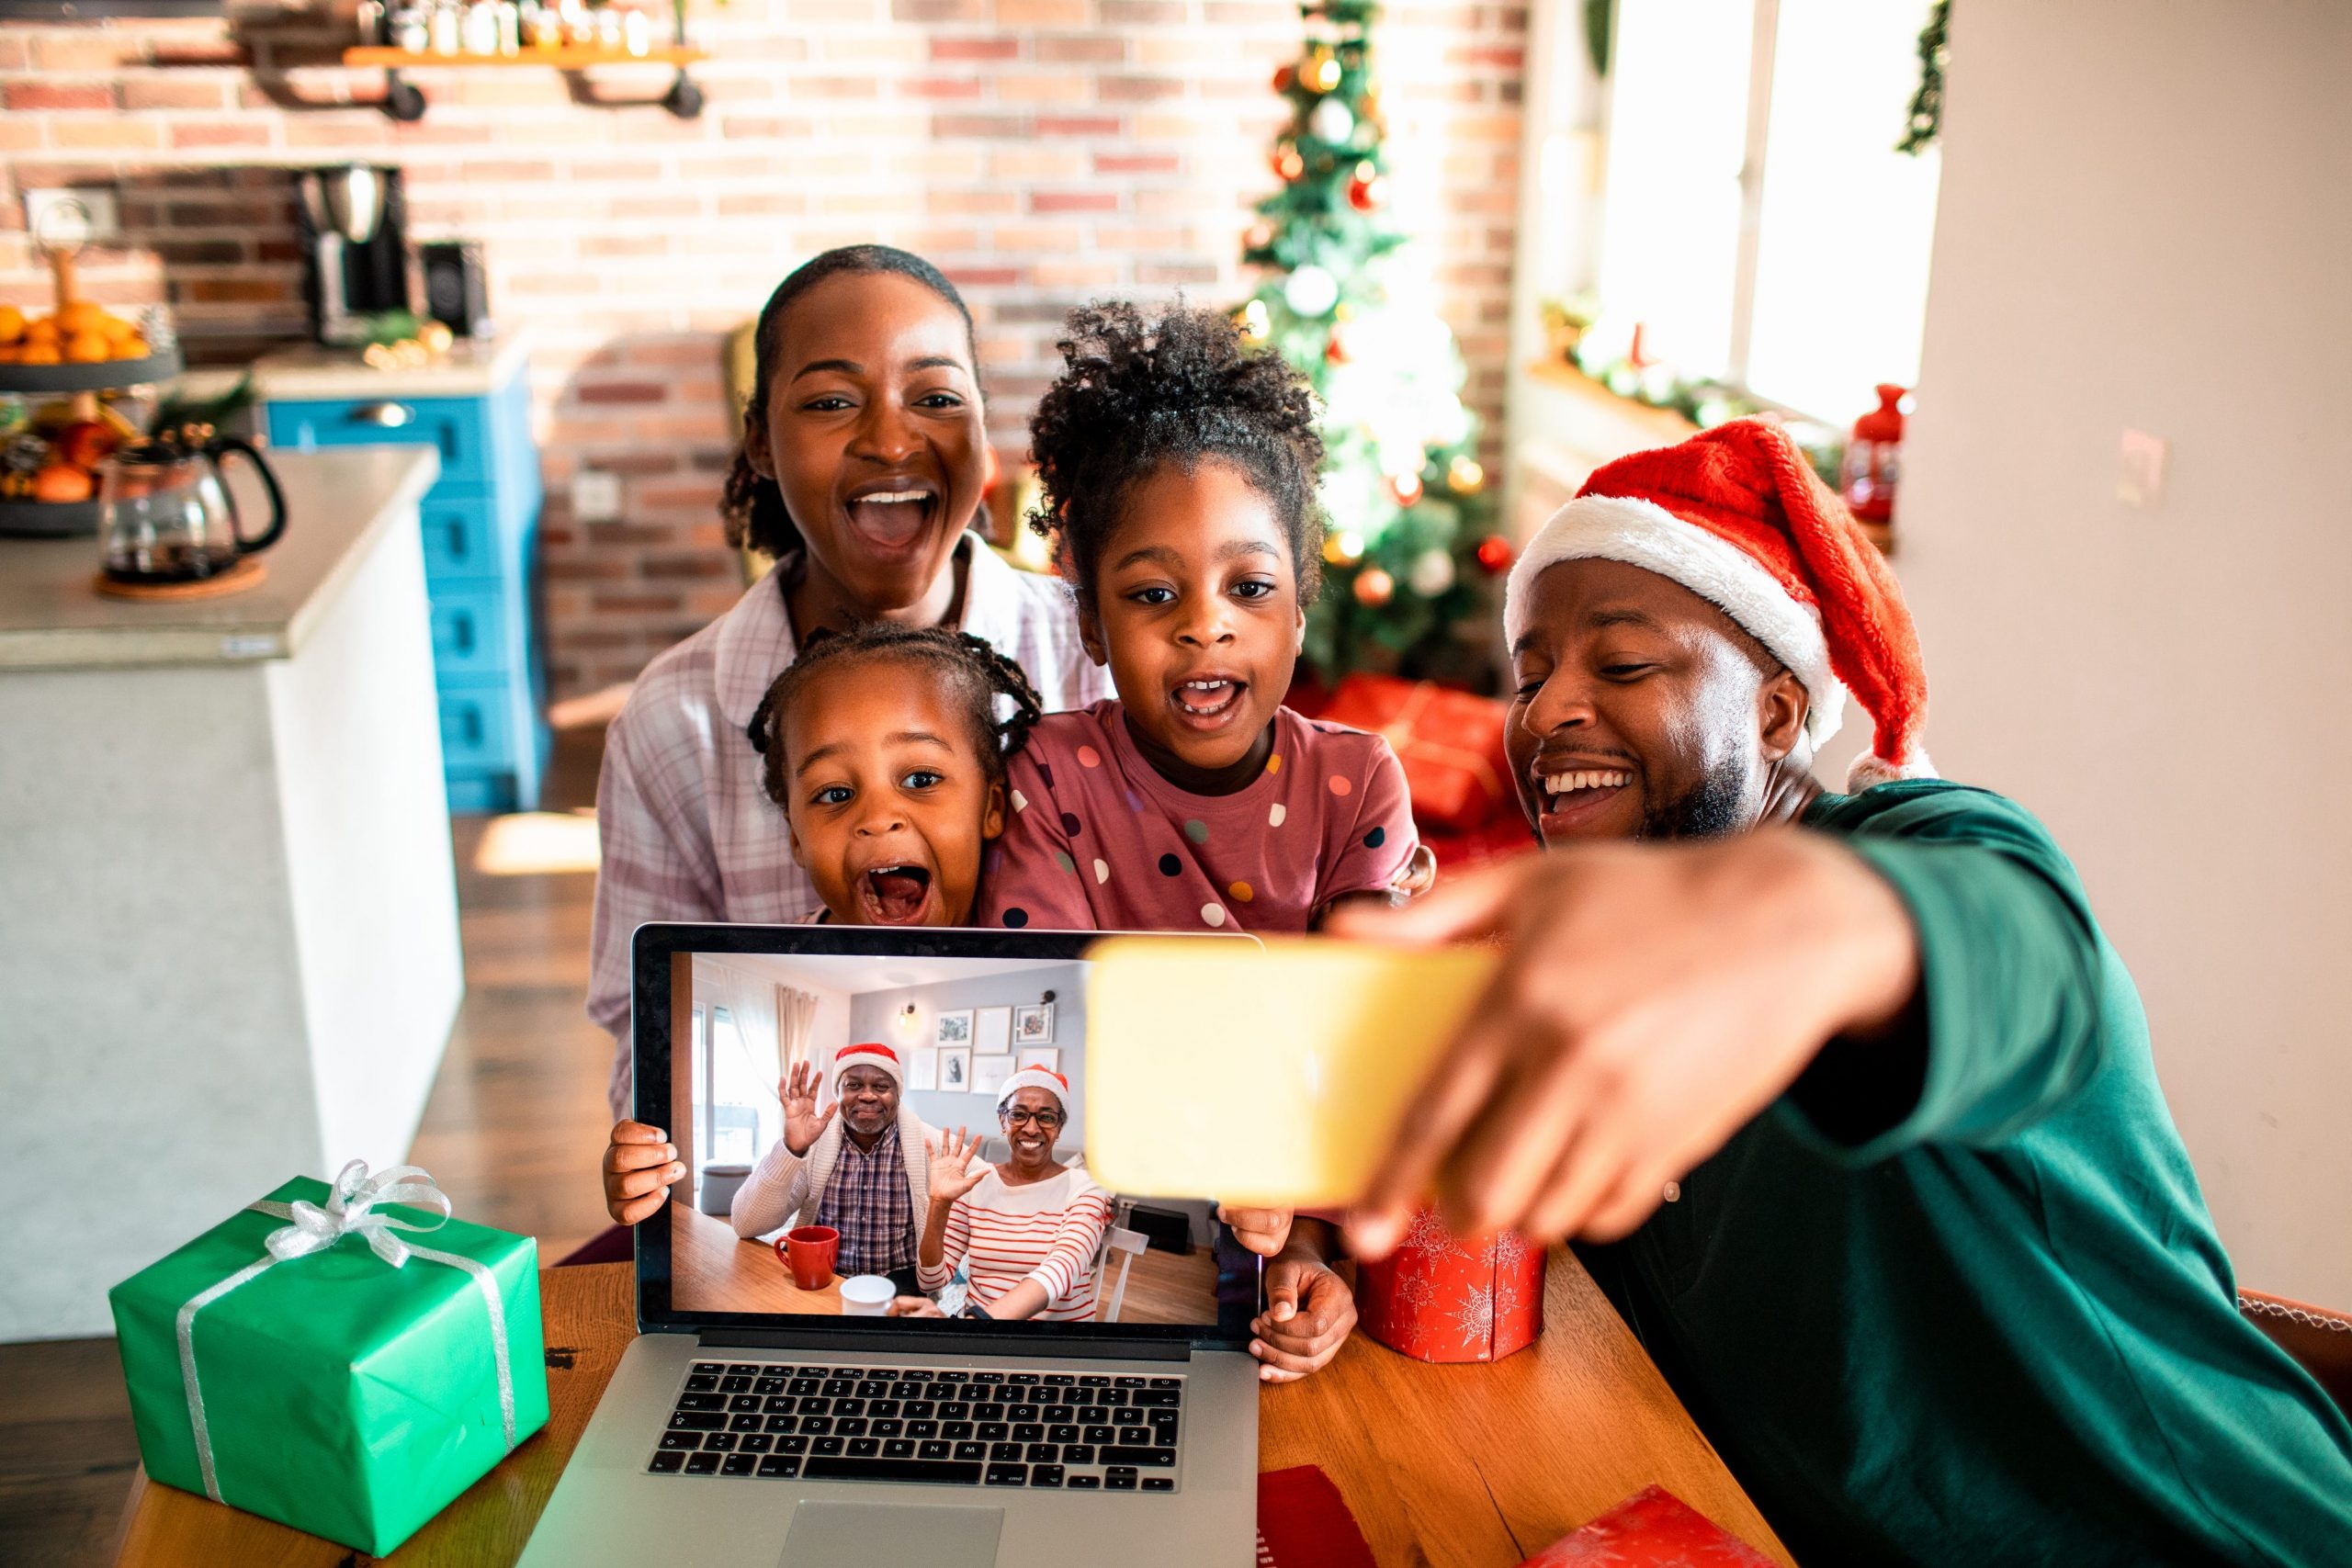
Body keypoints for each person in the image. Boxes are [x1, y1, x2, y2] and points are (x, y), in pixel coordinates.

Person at [1335, 420, 2352, 1564]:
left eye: (1620, 664)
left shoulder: (1926, 852)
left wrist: (1794, 911)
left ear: (1776, 713)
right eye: (1530, 674)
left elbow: (2023, 946)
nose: (1548, 710)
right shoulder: (1611, 985)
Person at [590, 244, 1112, 1122]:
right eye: (832, 402)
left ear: (985, 428)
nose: (891, 438)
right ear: (759, 438)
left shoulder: (1091, 657)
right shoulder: (670, 722)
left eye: (938, 398)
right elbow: (648, 1027)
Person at [978, 300, 1424, 936]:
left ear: (1298, 615)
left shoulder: (1358, 782)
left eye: (1249, 586)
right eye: (1154, 594)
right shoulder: (1047, 774)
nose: (1206, 625)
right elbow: (1046, 998)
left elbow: (1359, 1004)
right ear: (1092, 627)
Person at [599, 626, 1041, 1229]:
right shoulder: (815, 1136)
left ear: (991, 804)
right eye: (835, 792)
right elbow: (749, 1223)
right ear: (795, 838)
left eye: (920, 779)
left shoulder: (928, 1144)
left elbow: (984, 1232)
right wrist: (784, 1149)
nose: (879, 816)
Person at [910, 1068, 1113, 1323]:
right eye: (1018, 1115)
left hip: (1055, 1342)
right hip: (983, 1336)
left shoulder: (1086, 1187)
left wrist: (979, 1325)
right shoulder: (975, 1182)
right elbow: (930, 1281)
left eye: (1046, 1118)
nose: (1031, 1128)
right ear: (1003, 1122)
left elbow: (1062, 1268)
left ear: (1059, 1128)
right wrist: (939, 1203)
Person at [729, 1043, 931, 1293]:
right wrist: (791, 1150)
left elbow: (984, 1183)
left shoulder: (928, 1146)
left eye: (881, 1086)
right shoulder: (815, 1145)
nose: (867, 1095)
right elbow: (745, 1224)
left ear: (898, 1097)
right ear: (837, 1093)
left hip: (901, 1281)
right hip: (826, 1274)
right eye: (853, 1085)